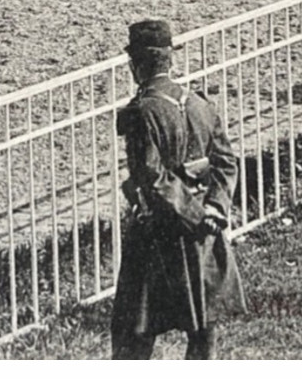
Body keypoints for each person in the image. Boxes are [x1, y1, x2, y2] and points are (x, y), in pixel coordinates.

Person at [110, 20, 244, 360]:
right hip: (203, 235)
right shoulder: (199, 104)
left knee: (133, 331)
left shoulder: (142, 112)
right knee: (203, 326)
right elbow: (227, 162)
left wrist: (195, 215)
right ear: (170, 61)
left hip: (159, 234)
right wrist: (214, 209)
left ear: (136, 66)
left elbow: (152, 178)